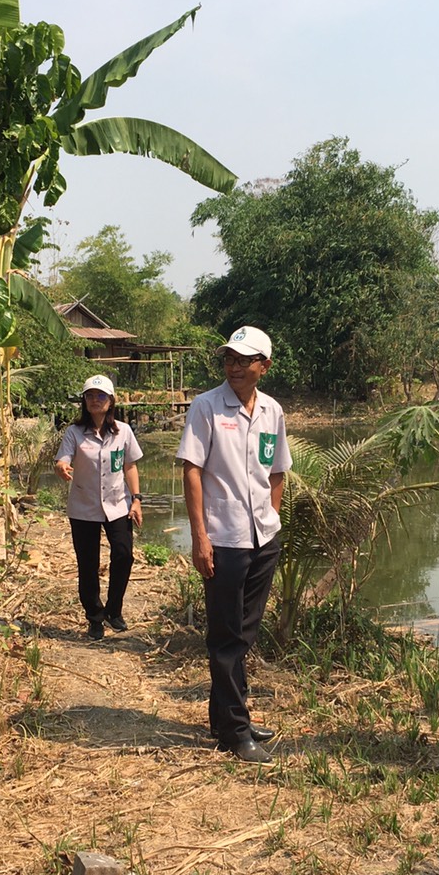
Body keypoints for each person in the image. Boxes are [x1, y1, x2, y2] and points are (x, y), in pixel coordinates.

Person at [176, 327, 291, 764]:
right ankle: (235, 733)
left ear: (265, 365)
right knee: (226, 637)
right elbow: (191, 470)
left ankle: (226, 714)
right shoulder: (206, 407)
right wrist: (200, 537)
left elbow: (276, 471)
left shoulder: (272, 411)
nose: (235, 367)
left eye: (245, 360)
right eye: (229, 359)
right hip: (223, 539)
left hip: (263, 537)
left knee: (244, 632)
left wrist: (272, 520)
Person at [55, 375, 144, 640]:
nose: (95, 400)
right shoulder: (74, 432)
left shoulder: (123, 431)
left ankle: (113, 611)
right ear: (84, 401)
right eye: (90, 396)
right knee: (88, 564)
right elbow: (64, 457)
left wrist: (137, 499)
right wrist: (62, 466)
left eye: (101, 396)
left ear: (111, 400)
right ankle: (94, 617)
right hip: (84, 508)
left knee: (124, 554)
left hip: (118, 505)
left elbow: (130, 465)